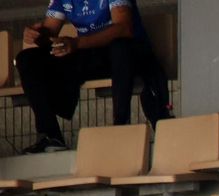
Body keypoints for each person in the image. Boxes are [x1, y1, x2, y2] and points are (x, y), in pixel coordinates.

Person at [15, 0, 168, 154]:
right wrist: (36, 34)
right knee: (27, 59)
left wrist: (76, 43)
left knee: (120, 47)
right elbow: (50, 31)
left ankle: (121, 127)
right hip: (90, 52)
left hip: (130, 55)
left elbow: (123, 28)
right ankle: (50, 137)